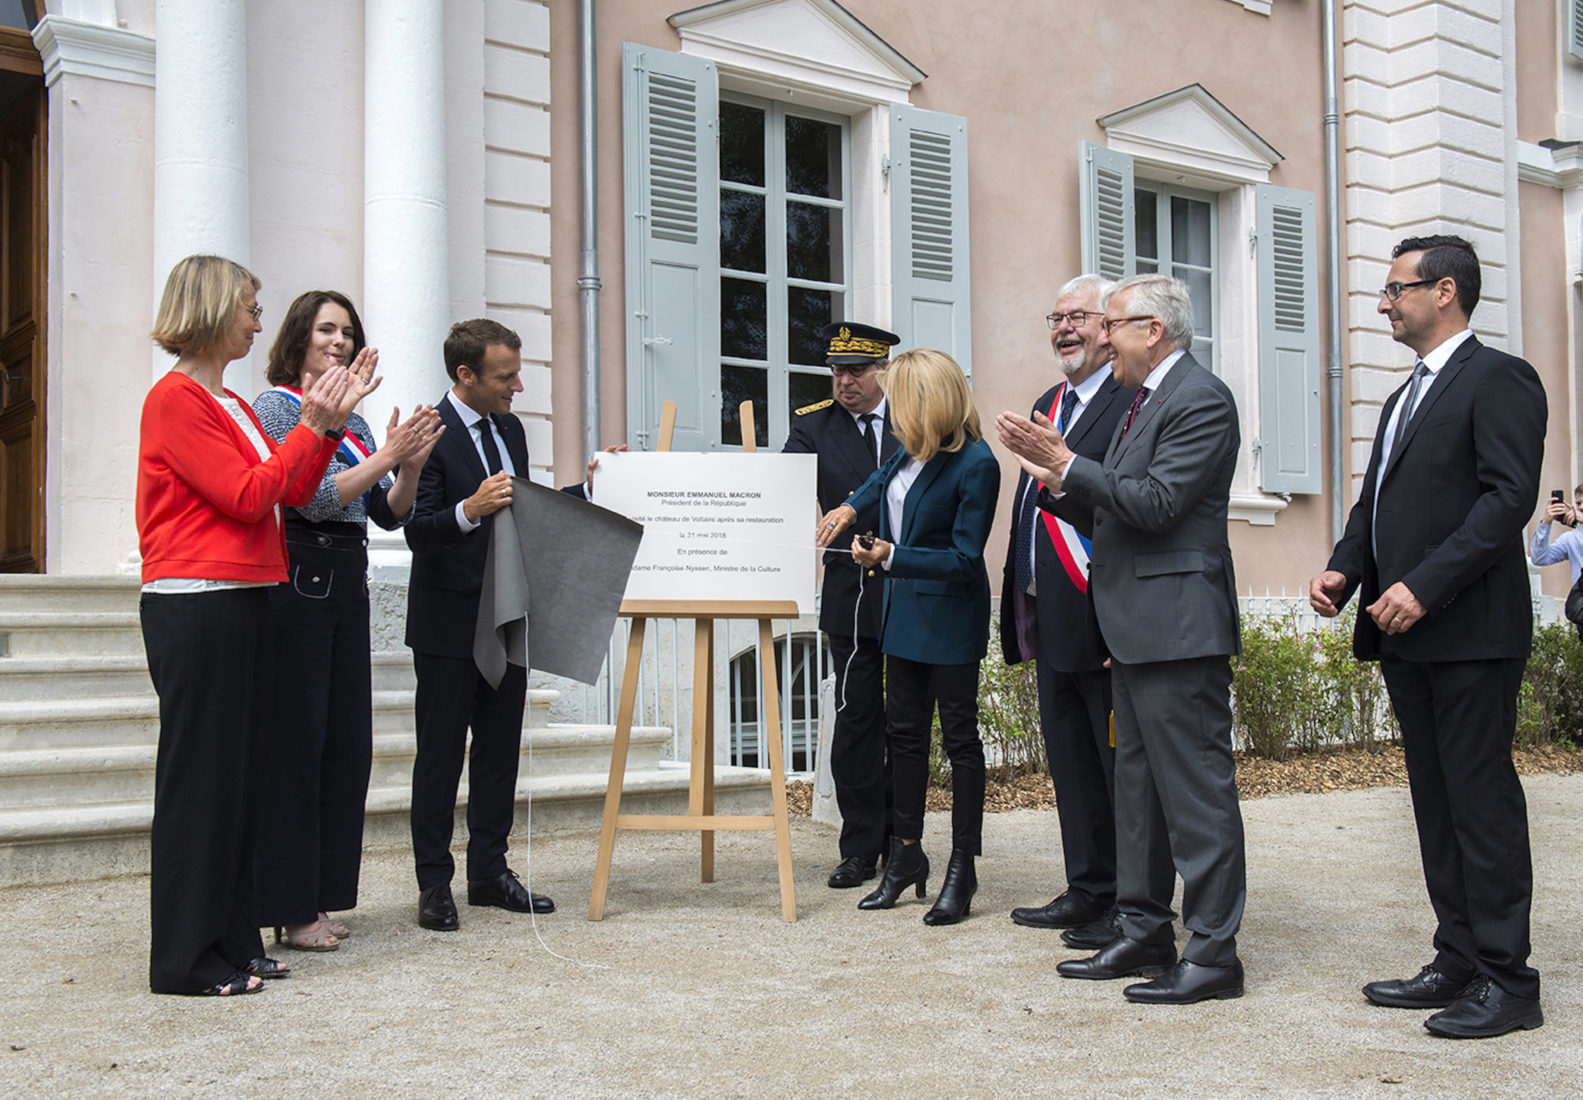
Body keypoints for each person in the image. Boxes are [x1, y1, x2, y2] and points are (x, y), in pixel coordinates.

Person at [1309, 234, 1546, 1039]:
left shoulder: (1500, 378)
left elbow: (1506, 499)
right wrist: (1345, 570)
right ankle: (1458, 958)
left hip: (1470, 632)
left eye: (1393, 289)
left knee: (1478, 804)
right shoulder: (1401, 395)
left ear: (1443, 291)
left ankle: (1510, 983)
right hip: (1401, 630)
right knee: (1434, 804)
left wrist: (1423, 585)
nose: (1382, 304)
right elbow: (1373, 503)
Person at [999, 273, 1246, 1005]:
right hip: (1133, 628)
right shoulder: (1145, 401)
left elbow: (1160, 503)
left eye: (1111, 324)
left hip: (1177, 630)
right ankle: (1141, 927)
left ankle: (1212, 951)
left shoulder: (1199, 398)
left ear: (1152, 331)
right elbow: (1117, 513)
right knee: (1135, 793)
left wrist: (1071, 465)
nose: (1100, 337)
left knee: (1195, 798)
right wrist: (1058, 478)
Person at [138, 255, 369, 996]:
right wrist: (312, 423)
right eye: (248, 305)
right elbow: (244, 495)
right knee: (200, 789)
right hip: (196, 601)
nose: (258, 319)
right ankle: (183, 959)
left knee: (238, 785)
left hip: (245, 597)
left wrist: (326, 429)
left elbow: (293, 488)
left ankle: (233, 942)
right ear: (210, 308)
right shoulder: (174, 399)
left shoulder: (232, 404)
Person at [251, 291, 443, 951]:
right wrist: (385, 459)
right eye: (325, 329)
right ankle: (289, 905)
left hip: (346, 578)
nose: (337, 340)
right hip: (299, 575)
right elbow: (316, 500)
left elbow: (388, 513)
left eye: (347, 330)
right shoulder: (279, 406)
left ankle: (319, 898)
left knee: (343, 746)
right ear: (298, 338)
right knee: (298, 746)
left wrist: (408, 468)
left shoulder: (355, 425)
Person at [404, 318, 583, 932]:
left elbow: (524, 513)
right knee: (440, 757)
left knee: (500, 751)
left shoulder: (510, 429)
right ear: (466, 375)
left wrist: (589, 485)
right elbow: (416, 530)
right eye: (506, 377)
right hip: (448, 624)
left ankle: (489, 872)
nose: (517, 388)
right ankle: (434, 884)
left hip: (509, 618)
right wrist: (468, 510)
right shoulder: (428, 432)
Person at [815, 348, 1000, 926]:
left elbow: (966, 559)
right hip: (901, 616)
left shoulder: (976, 464)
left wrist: (892, 555)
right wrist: (847, 510)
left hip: (949, 619)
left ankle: (962, 867)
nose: (892, 410)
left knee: (961, 744)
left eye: (902, 399)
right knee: (905, 740)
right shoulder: (905, 451)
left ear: (930, 403)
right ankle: (905, 856)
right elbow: (875, 484)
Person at [999, 275, 1132, 948]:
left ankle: (1129, 903)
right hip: (1048, 612)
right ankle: (1086, 889)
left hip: (1102, 615)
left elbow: (1121, 508)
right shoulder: (1047, 402)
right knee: (1071, 762)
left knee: (1115, 770)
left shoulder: (1132, 400)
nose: (1064, 329)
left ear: (1109, 328)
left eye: (1078, 317)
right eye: (1055, 318)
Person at [783, 321, 901, 889]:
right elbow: (775, 488)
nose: (844, 381)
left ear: (881, 370)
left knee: (904, 718)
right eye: (836, 370)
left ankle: (904, 843)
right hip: (849, 589)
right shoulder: (812, 426)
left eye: (856, 370)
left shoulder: (911, 420)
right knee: (855, 719)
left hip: (909, 584)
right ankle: (858, 847)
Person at [1529, 483, 1583, 583]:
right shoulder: (1571, 538)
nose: (1581, 507)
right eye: (1578, 503)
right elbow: (1539, 559)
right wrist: (1545, 523)